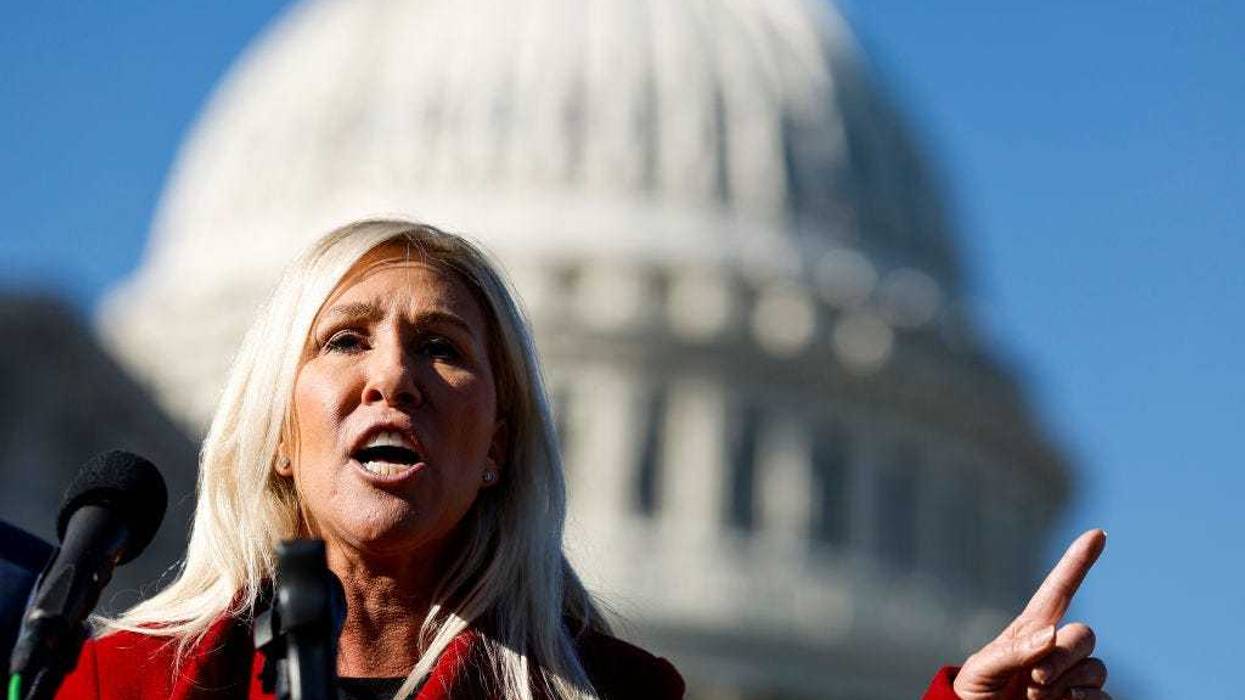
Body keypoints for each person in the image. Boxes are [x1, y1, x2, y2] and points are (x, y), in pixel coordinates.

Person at [54, 220, 1109, 699]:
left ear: (502, 443)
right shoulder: (123, 681)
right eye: (345, 340)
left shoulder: (607, 692)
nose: (393, 380)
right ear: (280, 431)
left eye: (441, 349)